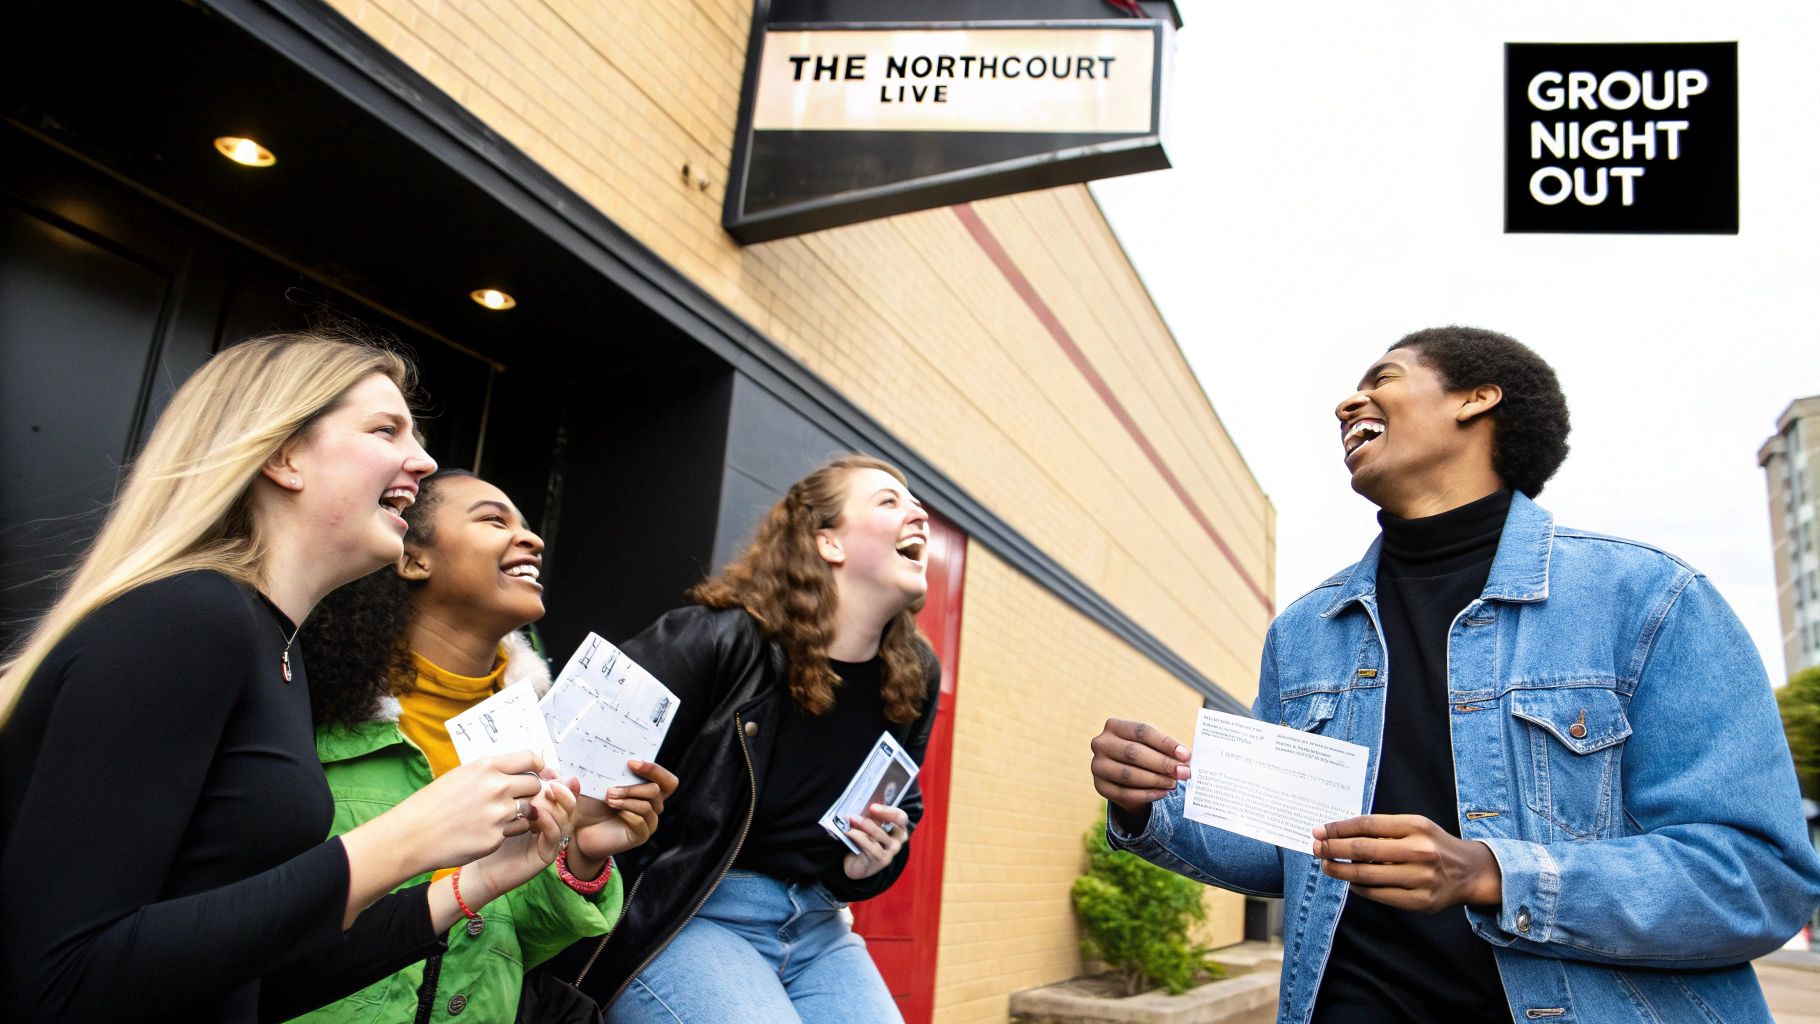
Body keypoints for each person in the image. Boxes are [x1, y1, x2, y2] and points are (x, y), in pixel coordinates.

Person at [1090, 326, 1820, 1023]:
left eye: (1383, 378)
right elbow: (1288, 853)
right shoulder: (1305, 630)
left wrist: (1491, 873)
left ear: (1476, 399)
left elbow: (1760, 878)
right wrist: (1150, 804)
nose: (1347, 403)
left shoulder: (1648, 598)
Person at [0, 335, 579, 1022]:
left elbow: (250, 978)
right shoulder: (189, 616)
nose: (423, 462)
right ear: (283, 457)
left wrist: (473, 884)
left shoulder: (275, 651)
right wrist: (404, 839)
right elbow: (56, 980)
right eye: (386, 430)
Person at [289, 469, 679, 1023]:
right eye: (494, 520)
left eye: (527, 526)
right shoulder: (312, 706)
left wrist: (583, 851)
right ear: (412, 559)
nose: (532, 539)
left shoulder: (540, 742)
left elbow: (508, 948)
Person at [572, 455, 943, 1022]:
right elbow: (573, 747)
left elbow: (902, 807)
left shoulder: (915, 671)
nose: (918, 513)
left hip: (818, 922)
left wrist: (868, 866)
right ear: (827, 542)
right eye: (889, 501)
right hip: (689, 914)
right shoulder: (716, 639)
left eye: (915, 502)